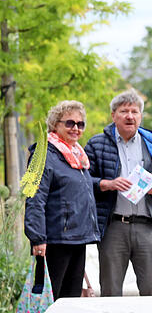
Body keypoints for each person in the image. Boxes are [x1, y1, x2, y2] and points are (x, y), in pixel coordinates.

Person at [85, 90, 152, 297]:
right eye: (124, 111)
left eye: (134, 111)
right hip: (113, 227)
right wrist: (106, 184)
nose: (130, 116)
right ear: (113, 115)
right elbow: (83, 182)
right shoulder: (96, 144)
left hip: (147, 225)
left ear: (140, 116)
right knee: (110, 291)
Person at [24, 101, 100, 299]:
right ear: (55, 124)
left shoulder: (78, 156)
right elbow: (34, 197)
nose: (75, 128)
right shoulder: (43, 154)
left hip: (77, 238)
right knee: (50, 299)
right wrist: (37, 238)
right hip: (55, 240)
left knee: (71, 299)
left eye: (80, 124)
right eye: (70, 123)